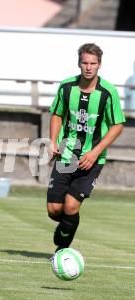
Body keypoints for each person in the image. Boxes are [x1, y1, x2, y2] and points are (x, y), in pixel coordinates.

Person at [47, 43, 125, 252]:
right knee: (54, 210)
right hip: (66, 153)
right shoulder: (66, 87)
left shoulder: (108, 93)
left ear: (100, 65)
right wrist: (52, 140)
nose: (89, 67)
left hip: (92, 158)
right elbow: (56, 114)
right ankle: (69, 224)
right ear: (79, 63)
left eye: (93, 63)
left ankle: (62, 250)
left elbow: (118, 126)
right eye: (85, 63)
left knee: (71, 206)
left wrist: (95, 151)